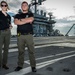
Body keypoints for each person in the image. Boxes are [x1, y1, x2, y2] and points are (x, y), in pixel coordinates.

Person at [14, 1, 36, 72]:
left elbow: (31, 19)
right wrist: (26, 20)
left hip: (29, 35)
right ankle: (20, 66)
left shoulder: (30, 14)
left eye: (25, 5)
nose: (24, 6)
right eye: (22, 5)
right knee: (21, 51)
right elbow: (16, 22)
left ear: (28, 7)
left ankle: (33, 66)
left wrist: (21, 21)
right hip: (20, 36)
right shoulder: (17, 15)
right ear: (21, 7)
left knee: (31, 51)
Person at [0, 1, 12, 69]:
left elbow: (9, 24)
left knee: (6, 49)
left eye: (5, 5)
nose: (4, 6)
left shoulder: (9, 16)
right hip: (0, 32)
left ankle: (4, 64)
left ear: (7, 6)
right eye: (2, 5)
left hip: (8, 32)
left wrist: (10, 26)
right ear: (1, 6)